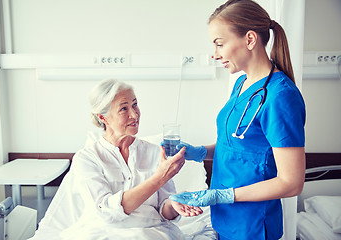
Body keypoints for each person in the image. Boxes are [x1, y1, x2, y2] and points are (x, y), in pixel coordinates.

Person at [169, 0, 306, 239]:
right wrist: (199, 152)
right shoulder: (243, 84)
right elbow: (236, 147)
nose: (215, 54)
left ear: (250, 39)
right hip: (225, 220)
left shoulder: (280, 97)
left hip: (253, 225)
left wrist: (224, 195)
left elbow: (291, 182)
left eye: (220, 44)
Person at [31, 79, 203, 240]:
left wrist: (174, 205)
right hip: (102, 232)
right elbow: (106, 211)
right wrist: (159, 178)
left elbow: (164, 210)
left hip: (150, 231)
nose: (135, 115)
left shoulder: (155, 152)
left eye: (135, 105)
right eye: (124, 109)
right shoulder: (87, 158)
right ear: (102, 117)